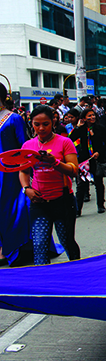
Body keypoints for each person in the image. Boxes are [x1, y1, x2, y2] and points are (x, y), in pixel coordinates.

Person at [20, 106, 80, 265]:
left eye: (45, 124)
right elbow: (23, 171)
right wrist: (27, 189)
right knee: (39, 245)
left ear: (53, 122)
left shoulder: (64, 142)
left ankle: (79, 274)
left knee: (68, 243)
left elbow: (74, 170)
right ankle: (44, 284)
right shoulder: (27, 145)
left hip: (63, 201)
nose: (41, 128)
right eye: (36, 124)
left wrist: (54, 162)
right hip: (39, 203)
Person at [0, 83, 30, 266]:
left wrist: (25, 171)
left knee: (9, 209)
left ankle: (10, 248)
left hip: (9, 173)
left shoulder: (14, 119)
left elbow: (24, 147)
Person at [69, 108, 106, 215]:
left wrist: (99, 152)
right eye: (89, 116)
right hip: (84, 160)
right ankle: (78, 209)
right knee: (81, 185)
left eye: (93, 115)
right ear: (83, 118)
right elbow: (70, 139)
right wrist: (78, 126)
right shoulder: (81, 129)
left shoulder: (100, 128)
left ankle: (101, 205)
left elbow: (105, 143)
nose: (92, 117)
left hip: (96, 159)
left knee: (98, 183)